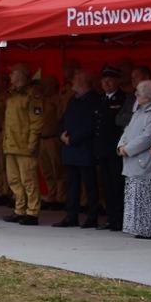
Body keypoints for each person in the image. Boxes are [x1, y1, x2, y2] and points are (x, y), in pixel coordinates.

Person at [117, 79, 151, 239]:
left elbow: (148, 136)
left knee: (147, 196)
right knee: (135, 195)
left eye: (139, 92)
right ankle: (136, 227)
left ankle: (149, 229)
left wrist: (128, 149)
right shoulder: (138, 111)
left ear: (148, 96)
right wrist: (121, 145)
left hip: (144, 160)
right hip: (131, 159)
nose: (136, 95)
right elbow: (127, 130)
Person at [55, 70, 102, 228]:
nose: (72, 82)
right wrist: (61, 134)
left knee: (90, 185)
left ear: (83, 82)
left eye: (75, 79)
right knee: (72, 184)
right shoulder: (73, 100)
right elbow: (63, 119)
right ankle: (71, 215)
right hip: (70, 148)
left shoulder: (94, 99)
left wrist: (73, 138)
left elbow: (91, 125)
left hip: (85, 148)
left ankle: (92, 216)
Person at [1, 64, 43, 225]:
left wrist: (32, 143)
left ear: (21, 75)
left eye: (13, 73)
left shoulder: (32, 95)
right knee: (14, 180)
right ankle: (20, 209)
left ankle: (32, 212)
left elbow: (37, 121)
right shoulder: (11, 95)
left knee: (28, 180)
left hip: (24, 145)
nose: (10, 76)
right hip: (11, 144)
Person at [95, 67, 129, 230]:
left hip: (116, 149)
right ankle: (111, 217)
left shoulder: (123, 98)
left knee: (117, 185)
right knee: (106, 185)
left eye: (110, 80)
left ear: (117, 81)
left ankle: (120, 218)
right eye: (103, 80)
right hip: (102, 149)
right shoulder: (101, 99)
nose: (106, 83)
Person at [36, 73, 67, 211]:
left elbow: (61, 117)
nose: (44, 88)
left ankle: (61, 197)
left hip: (53, 138)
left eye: (47, 85)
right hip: (41, 139)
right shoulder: (40, 100)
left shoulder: (57, 100)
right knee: (46, 170)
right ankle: (51, 194)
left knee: (58, 169)